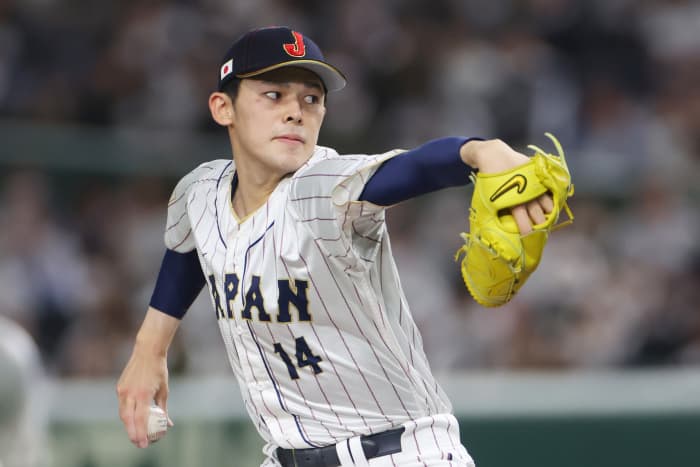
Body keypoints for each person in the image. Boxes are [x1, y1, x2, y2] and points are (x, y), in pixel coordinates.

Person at [116, 26, 553, 467]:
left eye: (311, 98)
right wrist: (149, 350)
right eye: (274, 95)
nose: (296, 113)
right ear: (223, 107)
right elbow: (187, 249)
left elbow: (409, 170)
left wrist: (476, 152)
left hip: (398, 452)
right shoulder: (200, 191)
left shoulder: (323, 187)